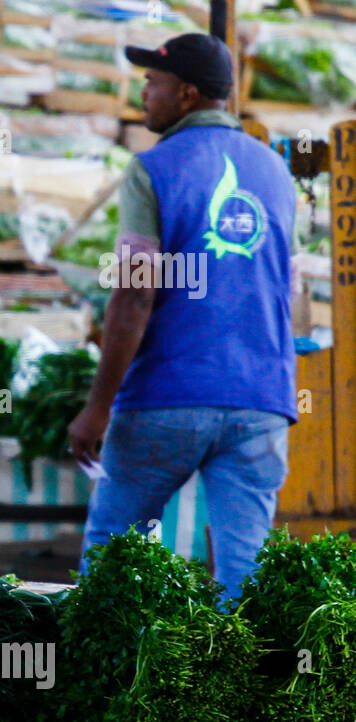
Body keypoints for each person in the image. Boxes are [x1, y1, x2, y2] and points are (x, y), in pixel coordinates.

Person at [68, 33, 299, 600]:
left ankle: (101, 684)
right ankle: (243, 687)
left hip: (168, 397)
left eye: (154, 81)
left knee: (111, 560)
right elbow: (285, 288)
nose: (144, 92)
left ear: (188, 93)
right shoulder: (276, 172)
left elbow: (134, 295)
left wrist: (96, 410)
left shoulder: (153, 168)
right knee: (243, 579)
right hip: (261, 401)